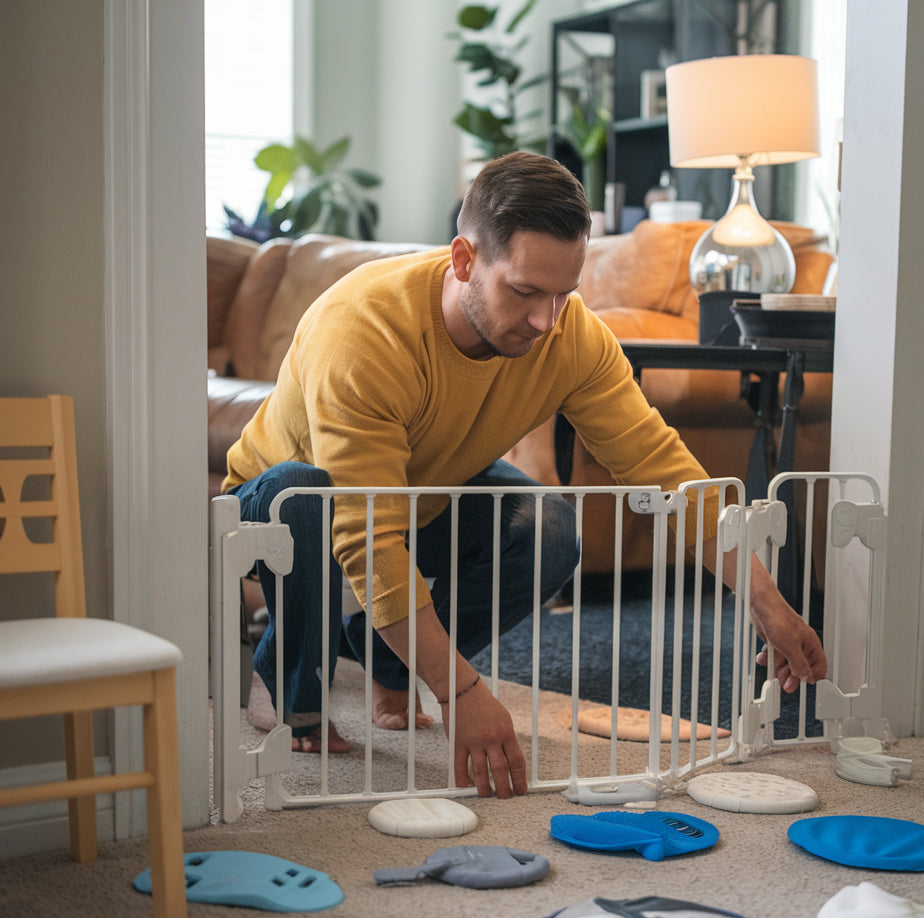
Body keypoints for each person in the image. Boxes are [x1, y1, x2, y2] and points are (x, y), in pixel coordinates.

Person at [223, 151, 828, 797]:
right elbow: (367, 532)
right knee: (313, 496)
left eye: (564, 293)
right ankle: (286, 674)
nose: (546, 321)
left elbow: (666, 470)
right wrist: (461, 694)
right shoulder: (364, 329)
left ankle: (382, 659)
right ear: (463, 260)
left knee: (546, 524)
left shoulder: (571, 337)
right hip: (279, 510)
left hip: (429, 494)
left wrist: (767, 602)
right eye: (524, 291)